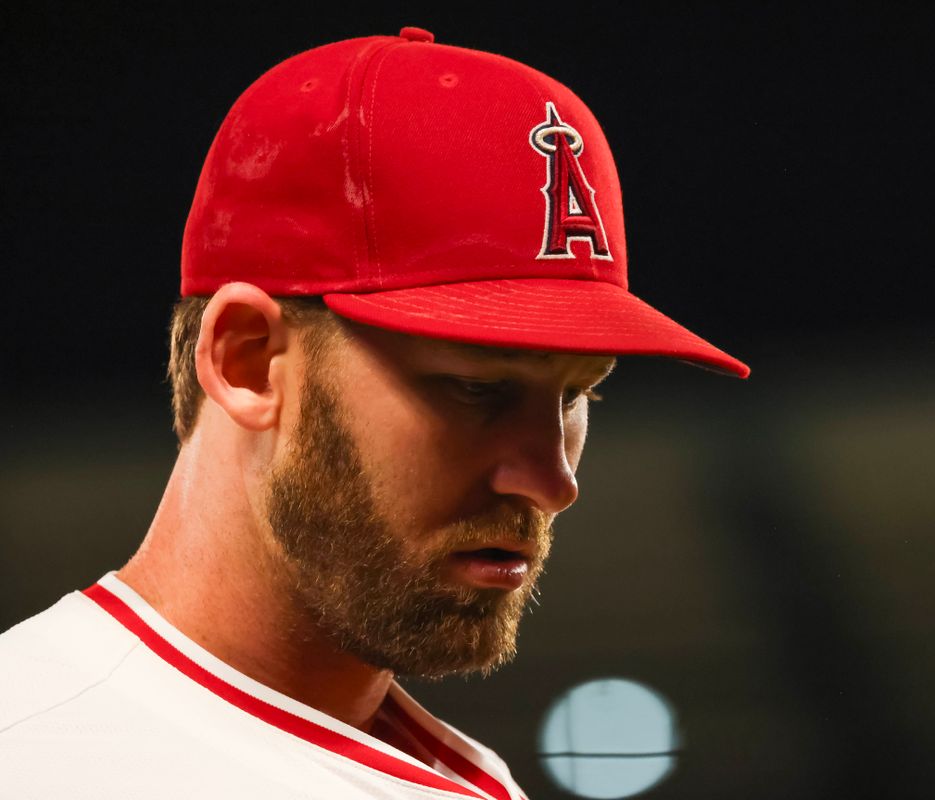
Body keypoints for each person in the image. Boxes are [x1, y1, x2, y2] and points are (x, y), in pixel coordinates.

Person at [0, 27, 748, 799]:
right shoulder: (34, 754)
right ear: (247, 361)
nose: (553, 481)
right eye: (477, 389)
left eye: (575, 395)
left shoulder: (465, 777)